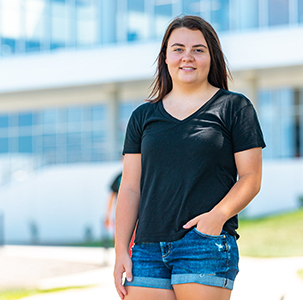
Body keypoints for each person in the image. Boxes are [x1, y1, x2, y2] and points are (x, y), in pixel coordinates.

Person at [113, 15, 266, 300]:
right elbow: (131, 187)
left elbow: (251, 178)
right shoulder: (142, 117)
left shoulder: (235, 107)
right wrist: (121, 248)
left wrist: (215, 219)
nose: (188, 57)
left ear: (211, 57)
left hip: (204, 244)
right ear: (166, 57)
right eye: (178, 48)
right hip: (147, 248)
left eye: (198, 49)